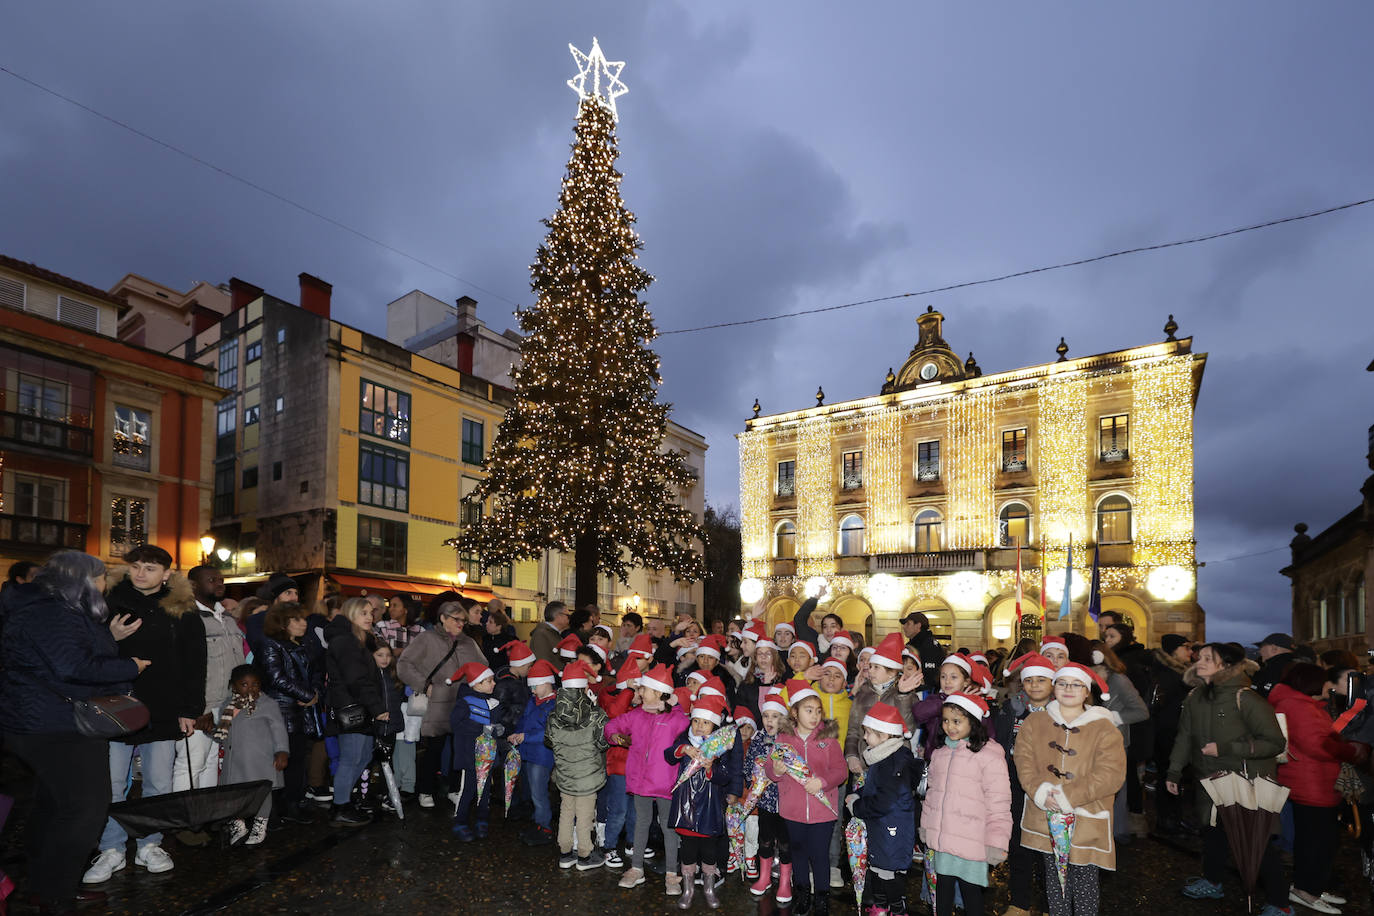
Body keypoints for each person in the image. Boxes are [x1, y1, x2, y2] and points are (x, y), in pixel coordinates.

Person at [0, 551, 146, 914]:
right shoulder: (51, 612)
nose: (103, 585)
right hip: (57, 726)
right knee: (85, 809)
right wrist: (129, 665)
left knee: (54, 805)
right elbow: (74, 666)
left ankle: (46, 885)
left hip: (46, 721)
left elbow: (67, 656)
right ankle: (55, 894)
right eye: (99, 578)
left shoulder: (52, 609)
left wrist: (108, 637)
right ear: (79, 580)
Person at [86, 545, 206, 884]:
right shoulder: (108, 602)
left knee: (158, 782)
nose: (140, 573)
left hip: (165, 707)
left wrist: (189, 710)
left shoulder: (182, 609)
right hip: (116, 706)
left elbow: (194, 662)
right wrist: (110, 637)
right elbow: (85, 655)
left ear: (167, 573)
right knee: (112, 783)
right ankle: (111, 848)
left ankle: (150, 844)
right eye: (136, 566)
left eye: (150, 568)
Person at [1167, 643, 1289, 915]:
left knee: (1257, 844)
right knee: (1213, 834)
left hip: (1246, 782)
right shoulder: (1195, 695)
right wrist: (1174, 771)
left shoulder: (1246, 698)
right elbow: (1184, 736)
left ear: (1226, 665)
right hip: (1208, 780)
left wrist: (1227, 749)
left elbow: (1275, 743)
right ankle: (1213, 881)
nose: (1200, 661)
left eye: (1209, 658)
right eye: (1200, 657)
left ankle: (1280, 903)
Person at [1014, 662, 1125, 916]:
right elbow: (1024, 760)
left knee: (1085, 883)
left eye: (1076, 684)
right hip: (1046, 816)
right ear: (1055, 687)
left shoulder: (1104, 726)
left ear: (1087, 690)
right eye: (1063, 683)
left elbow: (1111, 773)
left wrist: (1069, 796)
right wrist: (1039, 791)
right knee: (1054, 884)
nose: (1068, 689)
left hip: (1087, 815)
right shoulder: (1035, 721)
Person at [1269, 662, 1360, 913]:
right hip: (1311, 783)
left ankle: (1311, 887)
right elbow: (1318, 745)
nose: (1328, 686)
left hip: (1313, 780)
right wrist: (1352, 751)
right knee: (1316, 841)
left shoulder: (1303, 704)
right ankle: (1305, 891)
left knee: (1322, 839)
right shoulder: (1297, 706)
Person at [920, 693, 1011, 916]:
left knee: (972, 895)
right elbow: (932, 796)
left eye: (957, 721)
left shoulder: (989, 756)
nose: (950, 726)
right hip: (943, 840)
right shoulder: (940, 753)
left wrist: (997, 841)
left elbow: (999, 802)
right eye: (946, 720)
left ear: (973, 721)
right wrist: (926, 827)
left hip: (973, 843)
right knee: (942, 892)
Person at [606, 664, 689, 893]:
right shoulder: (636, 715)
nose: (640, 692)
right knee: (641, 823)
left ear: (658, 692)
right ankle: (636, 868)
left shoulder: (674, 718)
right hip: (641, 781)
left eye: (644, 689)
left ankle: (672, 873)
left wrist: (676, 706)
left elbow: (689, 726)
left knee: (668, 827)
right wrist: (615, 736)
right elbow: (612, 725)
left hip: (665, 783)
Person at [770, 679, 846, 916]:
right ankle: (802, 894)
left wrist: (822, 782)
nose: (814, 716)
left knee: (819, 855)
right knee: (799, 853)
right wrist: (776, 771)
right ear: (794, 712)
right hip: (792, 810)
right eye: (808, 710)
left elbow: (841, 771)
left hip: (822, 811)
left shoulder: (828, 739)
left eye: (818, 711)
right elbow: (771, 771)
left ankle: (822, 899)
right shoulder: (783, 739)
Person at [397, 600, 482, 809]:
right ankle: (425, 790)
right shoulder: (427, 638)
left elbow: (482, 667)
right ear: (443, 618)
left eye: (463, 620)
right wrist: (424, 685)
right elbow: (404, 664)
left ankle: (454, 789)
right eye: (456, 619)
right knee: (434, 748)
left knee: (458, 749)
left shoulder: (468, 643)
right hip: (437, 704)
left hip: (461, 703)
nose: (461, 623)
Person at [992, 651, 1058, 916]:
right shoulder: (1012, 708)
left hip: (1049, 787)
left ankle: (1050, 902)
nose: (1035, 685)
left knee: (1049, 847)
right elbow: (999, 744)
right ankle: (1020, 900)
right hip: (1016, 786)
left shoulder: (1062, 709)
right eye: (1030, 680)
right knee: (1019, 845)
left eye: (1042, 680)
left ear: (1052, 683)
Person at [175, 565, 245, 793]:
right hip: (201, 706)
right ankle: (183, 818)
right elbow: (184, 668)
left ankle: (202, 817)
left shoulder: (227, 619)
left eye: (221, 579)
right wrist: (196, 708)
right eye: (212, 579)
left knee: (210, 763)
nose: (219, 583)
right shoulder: (186, 618)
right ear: (194, 585)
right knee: (190, 764)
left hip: (225, 705)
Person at [849, 702, 921, 914]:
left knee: (888, 872)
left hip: (892, 830)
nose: (864, 737)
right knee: (878, 868)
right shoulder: (885, 758)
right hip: (884, 827)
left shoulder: (893, 764)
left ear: (885, 736)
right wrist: (859, 794)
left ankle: (898, 908)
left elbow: (883, 801)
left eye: (869, 733)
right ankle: (880, 906)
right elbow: (876, 789)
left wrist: (857, 806)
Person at [324, 597, 389, 827]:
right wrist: (377, 708)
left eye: (371, 612)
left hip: (360, 707)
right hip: (351, 708)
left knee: (362, 757)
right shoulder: (345, 641)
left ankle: (344, 801)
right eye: (363, 613)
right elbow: (356, 680)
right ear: (350, 614)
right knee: (351, 759)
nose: (369, 617)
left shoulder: (359, 641)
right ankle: (340, 806)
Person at [667, 694, 734, 909]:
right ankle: (687, 889)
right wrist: (683, 749)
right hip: (686, 806)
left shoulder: (720, 748)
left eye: (705, 722)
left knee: (709, 851)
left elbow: (726, 776)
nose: (699, 726)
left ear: (714, 725)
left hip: (708, 808)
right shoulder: (684, 741)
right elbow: (669, 755)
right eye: (696, 721)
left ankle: (708, 888)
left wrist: (709, 768)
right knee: (687, 850)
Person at [257, 602, 320, 823]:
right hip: (280, 712)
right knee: (279, 762)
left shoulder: (300, 645)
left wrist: (314, 693)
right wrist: (307, 695)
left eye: (304, 619)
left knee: (297, 761)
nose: (304, 623)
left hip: (300, 712)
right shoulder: (271, 645)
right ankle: (273, 812)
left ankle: (292, 805)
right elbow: (276, 677)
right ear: (283, 623)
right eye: (297, 619)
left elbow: (315, 675)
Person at [216, 665, 289, 846]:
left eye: (255, 684)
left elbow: (278, 729)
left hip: (259, 760)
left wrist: (282, 751)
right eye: (245, 684)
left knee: (262, 793)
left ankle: (260, 824)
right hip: (235, 761)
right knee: (234, 795)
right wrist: (210, 730)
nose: (251, 688)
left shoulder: (267, 704)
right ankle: (238, 824)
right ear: (234, 687)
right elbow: (222, 735)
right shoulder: (227, 706)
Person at [547, 661, 610, 870]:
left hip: (565, 774)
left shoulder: (553, 716)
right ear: (584, 687)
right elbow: (603, 743)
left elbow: (548, 741)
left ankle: (565, 853)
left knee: (566, 811)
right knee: (584, 815)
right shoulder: (596, 715)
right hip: (588, 776)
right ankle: (584, 855)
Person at [845, 634, 921, 777]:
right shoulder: (863, 692)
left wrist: (903, 696)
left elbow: (908, 729)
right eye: (870, 666)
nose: (870, 670)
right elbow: (853, 730)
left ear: (892, 672)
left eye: (876, 667)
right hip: (864, 766)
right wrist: (852, 756)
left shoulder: (908, 695)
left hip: (895, 767)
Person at [747, 688, 795, 904]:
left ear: (783, 718)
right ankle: (764, 877)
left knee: (785, 842)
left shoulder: (790, 740)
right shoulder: (758, 739)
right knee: (764, 839)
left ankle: (785, 881)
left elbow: (798, 769)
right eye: (766, 716)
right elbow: (748, 764)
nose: (769, 720)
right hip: (765, 800)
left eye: (775, 716)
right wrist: (752, 778)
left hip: (786, 801)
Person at [448, 661, 503, 841]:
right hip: (470, 755)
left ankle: (482, 819)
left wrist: (499, 729)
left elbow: (495, 725)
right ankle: (460, 822)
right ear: (477, 684)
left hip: (487, 755)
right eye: (489, 681)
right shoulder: (464, 702)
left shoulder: (494, 703)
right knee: (469, 789)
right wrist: (482, 728)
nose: (493, 684)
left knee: (486, 790)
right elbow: (456, 724)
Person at [1148, 635, 1193, 833]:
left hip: (1172, 732)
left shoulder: (1177, 672)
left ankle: (1173, 817)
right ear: (1174, 650)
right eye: (1186, 647)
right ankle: (1167, 819)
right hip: (1167, 734)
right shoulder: (1169, 674)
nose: (1190, 652)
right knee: (1169, 775)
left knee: (1174, 776)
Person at [516, 659, 559, 846]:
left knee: (538, 793)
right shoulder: (534, 700)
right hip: (528, 751)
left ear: (547, 682)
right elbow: (524, 721)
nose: (532, 690)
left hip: (542, 755)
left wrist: (525, 736)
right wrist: (517, 735)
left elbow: (549, 733)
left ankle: (545, 827)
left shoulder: (555, 705)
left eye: (535, 686)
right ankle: (538, 822)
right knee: (534, 790)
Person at [901, 611, 944, 684]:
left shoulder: (928, 645)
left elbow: (930, 675)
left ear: (918, 625)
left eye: (908, 624)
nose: (904, 627)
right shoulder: (917, 643)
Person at [1252, 632, 1296, 698]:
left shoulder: (1271, 669)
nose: (1259, 651)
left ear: (1274, 648)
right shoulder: (1298, 668)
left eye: (1261, 647)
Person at [530, 601, 569, 666]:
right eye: (568, 616)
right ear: (559, 616)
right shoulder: (540, 634)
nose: (569, 618)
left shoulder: (553, 633)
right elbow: (542, 663)